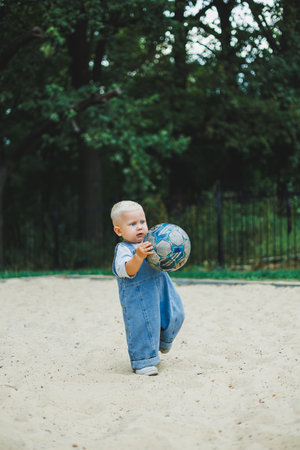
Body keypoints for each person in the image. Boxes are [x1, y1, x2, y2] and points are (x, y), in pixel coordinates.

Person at [111, 200, 185, 376]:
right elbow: (127, 269)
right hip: (138, 294)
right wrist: (138, 256)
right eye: (132, 224)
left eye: (142, 222)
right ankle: (143, 361)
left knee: (177, 313)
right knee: (142, 324)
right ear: (119, 230)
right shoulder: (124, 249)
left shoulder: (153, 241)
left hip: (161, 287)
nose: (139, 227)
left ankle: (163, 342)